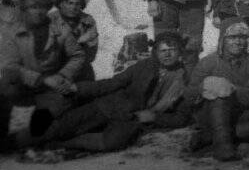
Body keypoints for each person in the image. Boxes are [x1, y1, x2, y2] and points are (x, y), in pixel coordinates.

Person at [29, 31, 191, 152]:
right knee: (62, 127)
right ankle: (13, 142)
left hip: (132, 119)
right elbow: (113, 83)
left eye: (172, 49)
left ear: (180, 52)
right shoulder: (144, 66)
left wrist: (155, 117)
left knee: (110, 143)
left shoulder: (185, 80)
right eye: (163, 50)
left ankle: (60, 145)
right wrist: (77, 88)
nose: (168, 54)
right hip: (110, 105)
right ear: (156, 52)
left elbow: (181, 118)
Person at [185, 18, 249, 162]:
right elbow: (189, 96)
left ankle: (210, 136)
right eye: (232, 37)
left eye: (242, 37)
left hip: (240, 113)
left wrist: (232, 88)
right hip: (210, 114)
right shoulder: (208, 62)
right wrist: (203, 87)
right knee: (220, 95)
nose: (238, 42)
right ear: (223, 39)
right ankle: (223, 148)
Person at [0, 0, 85, 142]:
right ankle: (16, 129)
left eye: (43, 7)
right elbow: (9, 65)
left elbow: (77, 55)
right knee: (8, 84)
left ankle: (33, 132)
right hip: (21, 88)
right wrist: (41, 79)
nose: (39, 12)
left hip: (50, 88)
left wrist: (62, 76)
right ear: (24, 10)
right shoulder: (11, 32)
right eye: (33, 7)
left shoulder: (60, 29)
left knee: (65, 103)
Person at [50, 0, 98, 81]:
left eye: (77, 4)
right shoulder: (50, 20)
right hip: (54, 70)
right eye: (70, 3)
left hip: (80, 69)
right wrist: (80, 41)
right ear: (60, 3)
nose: (73, 7)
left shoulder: (87, 21)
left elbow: (91, 56)